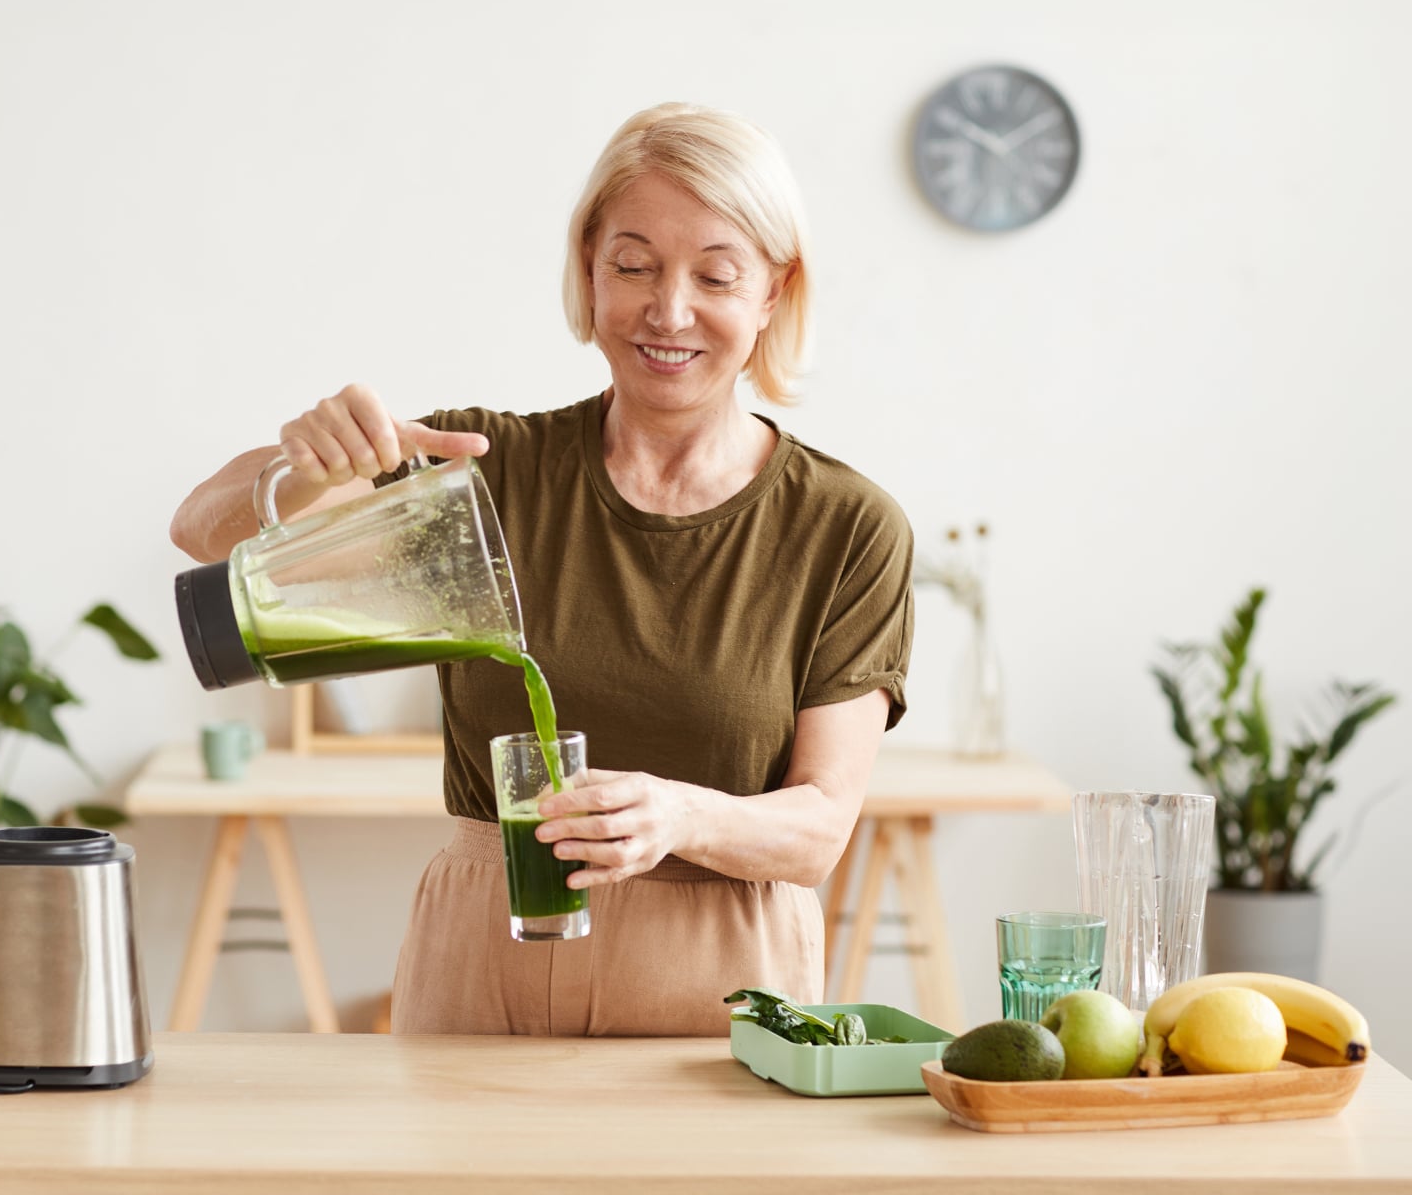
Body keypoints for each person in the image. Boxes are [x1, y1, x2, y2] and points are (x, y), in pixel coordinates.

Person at [170, 102, 913, 1036]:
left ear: (772, 292)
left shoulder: (844, 526)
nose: (668, 310)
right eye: (632, 266)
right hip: (485, 961)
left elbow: (818, 831)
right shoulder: (482, 474)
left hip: (726, 986)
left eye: (715, 275)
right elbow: (200, 529)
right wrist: (303, 465)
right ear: (589, 273)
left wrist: (678, 817)